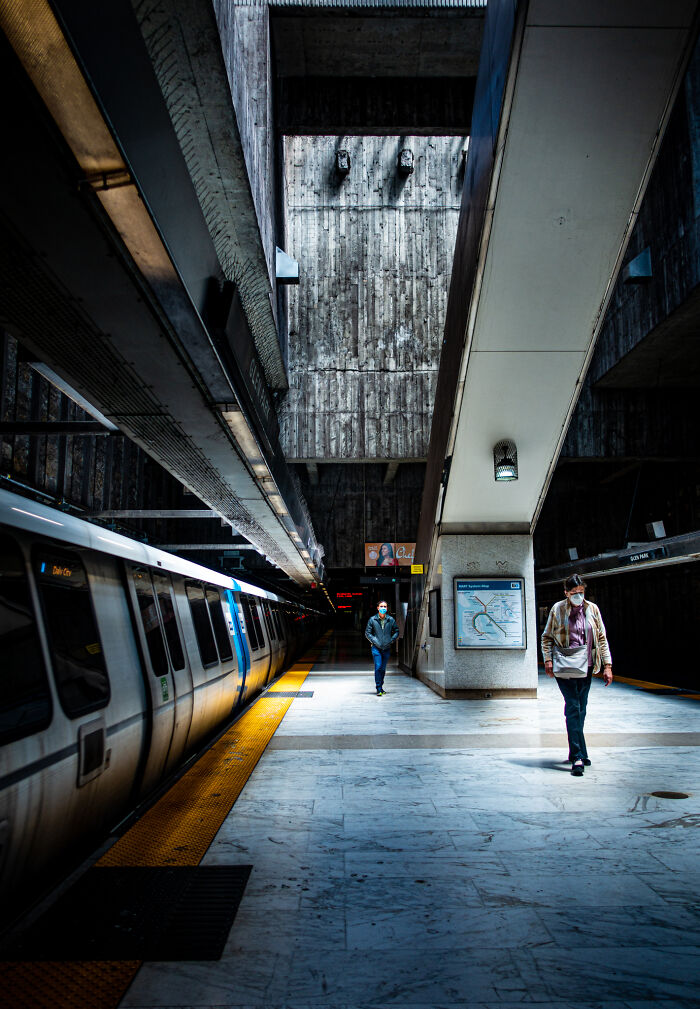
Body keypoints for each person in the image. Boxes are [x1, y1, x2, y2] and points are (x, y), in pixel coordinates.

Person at [541, 574, 613, 776]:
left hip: (587, 666)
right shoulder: (558, 609)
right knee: (573, 706)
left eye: (581, 593)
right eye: (574, 593)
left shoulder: (593, 609)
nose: (578, 597)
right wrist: (548, 659)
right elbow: (546, 637)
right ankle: (579, 757)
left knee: (581, 708)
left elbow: (601, 638)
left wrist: (607, 665)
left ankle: (577, 751)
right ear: (566, 593)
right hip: (565, 666)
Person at [365, 600, 399, 696]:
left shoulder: (390, 620)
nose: (383, 608)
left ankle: (381, 687)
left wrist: (391, 640)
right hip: (376, 648)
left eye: (385, 606)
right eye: (381, 606)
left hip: (387, 648)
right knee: (378, 667)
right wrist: (375, 641)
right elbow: (367, 633)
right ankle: (378, 688)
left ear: (387, 608)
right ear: (378, 608)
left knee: (383, 669)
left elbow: (396, 631)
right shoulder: (372, 620)